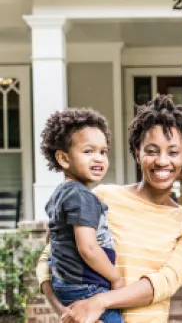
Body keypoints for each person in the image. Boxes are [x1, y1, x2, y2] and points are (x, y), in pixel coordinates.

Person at [36, 94, 182, 323]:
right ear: (136, 152)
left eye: (173, 152)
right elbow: (50, 255)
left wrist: (99, 302)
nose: (162, 161)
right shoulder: (103, 197)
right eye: (151, 151)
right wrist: (65, 312)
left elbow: (164, 283)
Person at [40, 108, 124, 323]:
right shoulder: (81, 196)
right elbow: (87, 248)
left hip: (65, 283)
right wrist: (115, 278)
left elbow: (51, 238)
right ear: (64, 158)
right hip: (87, 287)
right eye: (88, 151)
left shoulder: (60, 193)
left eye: (103, 152)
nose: (98, 158)